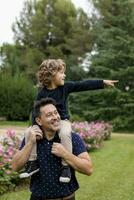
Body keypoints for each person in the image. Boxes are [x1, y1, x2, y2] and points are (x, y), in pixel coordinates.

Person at [20, 59, 118, 182]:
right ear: (51, 75)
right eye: (61, 73)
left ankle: (65, 167)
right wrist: (35, 127)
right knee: (30, 132)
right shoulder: (41, 93)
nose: (64, 75)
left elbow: (83, 85)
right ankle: (32, 163)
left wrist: (102, 83)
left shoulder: (65, 87)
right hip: (46, 123)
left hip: (62, 121)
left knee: (65, 133)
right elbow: (36, 112)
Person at [12, 98, 93, 200]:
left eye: (56, 113)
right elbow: (15, 166)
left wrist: (65, 154)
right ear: (39, 121)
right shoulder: (32, 138)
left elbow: (88, 169)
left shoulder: (72, 138)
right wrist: (30, 143)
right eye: (49, 115)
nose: (55, 117)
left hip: (67, 198)